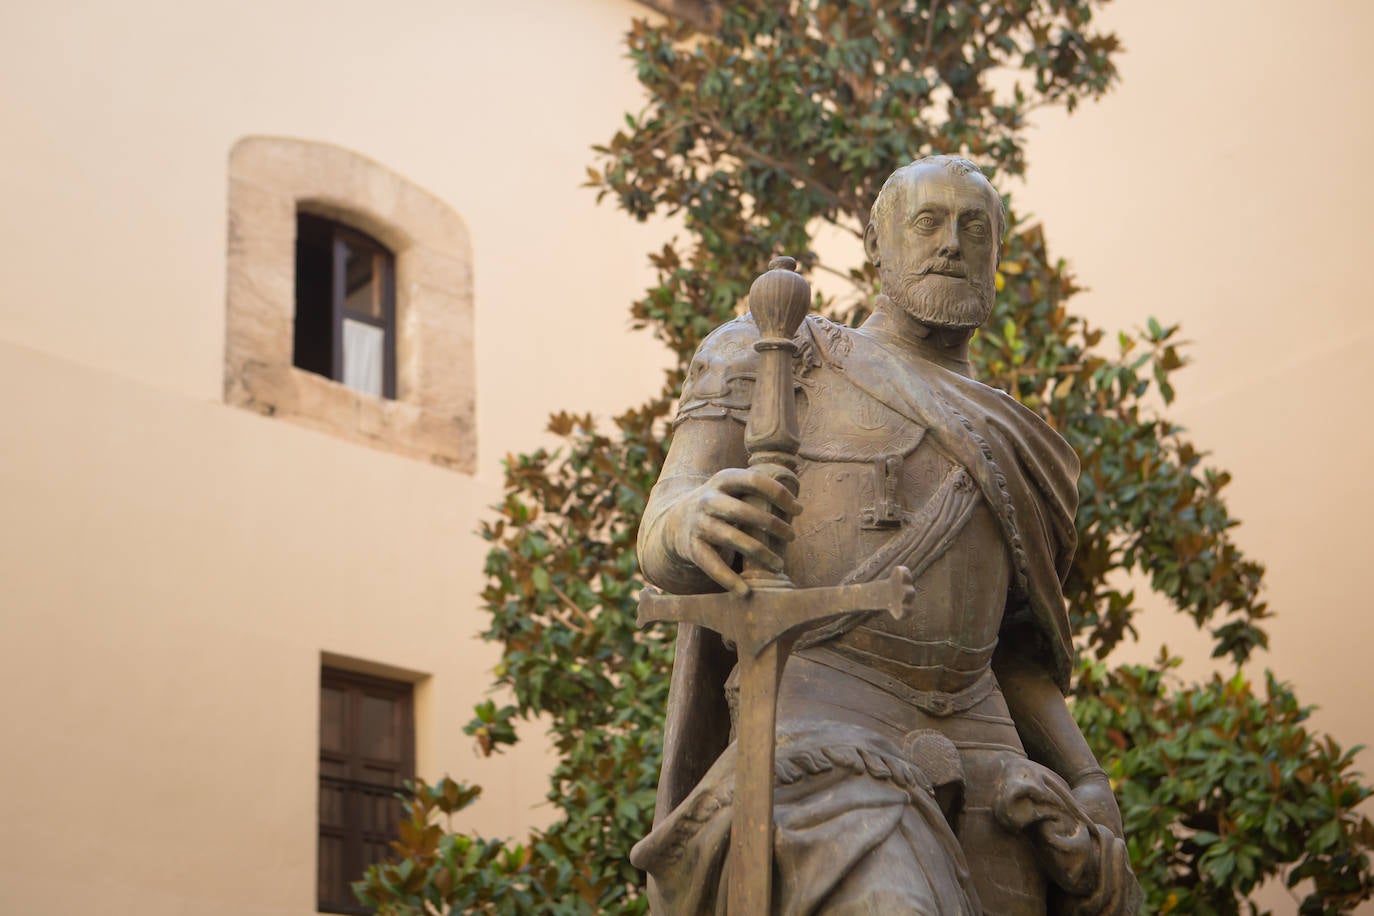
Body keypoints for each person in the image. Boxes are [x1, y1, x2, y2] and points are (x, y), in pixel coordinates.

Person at [630, 156, 1138, 913]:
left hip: (993, 763)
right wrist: (694, 517)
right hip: (822, 735)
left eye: (976, 228)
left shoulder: (1023, 441)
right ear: (878, 244)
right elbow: (662, 526)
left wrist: (1090, 786)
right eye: (928, 223)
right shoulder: (772, 348)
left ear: (998, 253)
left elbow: (1020, 656)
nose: (952, 244)